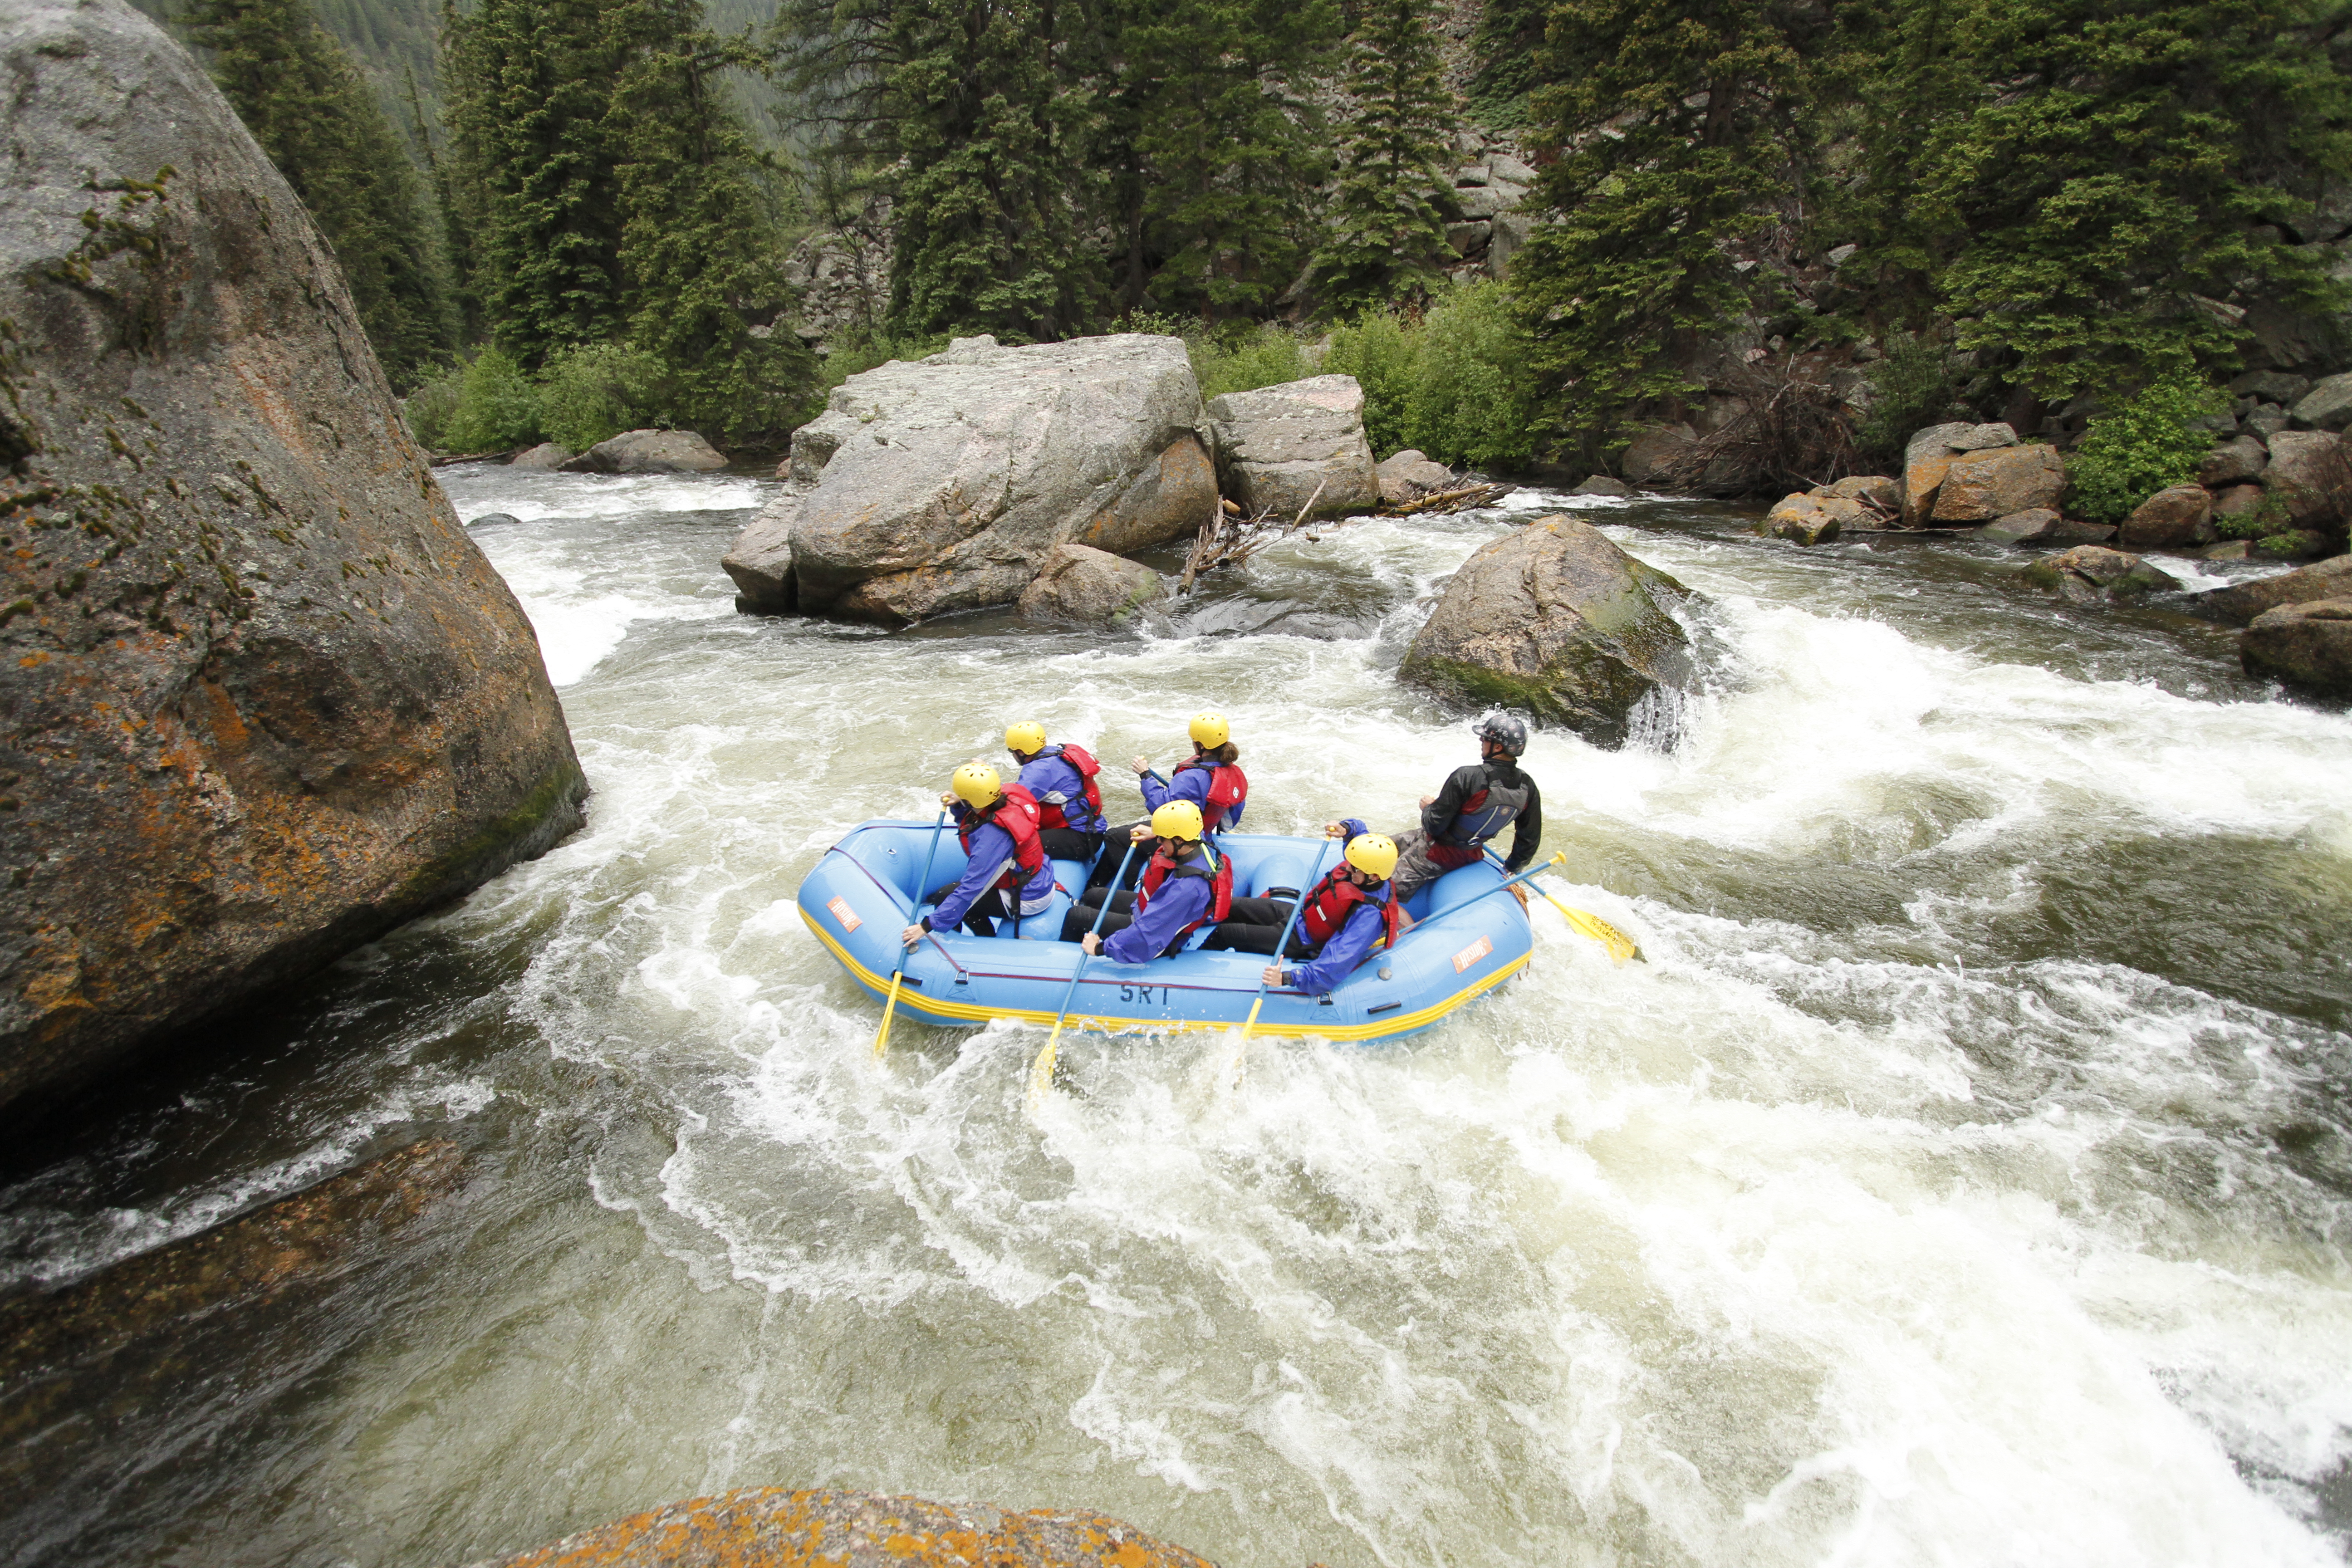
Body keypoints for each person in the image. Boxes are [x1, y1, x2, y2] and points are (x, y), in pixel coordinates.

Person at [1208, 830, 1403, 997]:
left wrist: (1287, 978)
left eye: (1355, 869)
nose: (1349, 868)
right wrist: (1349, 829)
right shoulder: (1365, 870)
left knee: (1226, 934)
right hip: (1301, 916)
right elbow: (1363, 841)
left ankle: (1198, 970)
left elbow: (1334, 964)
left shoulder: (1369, 917)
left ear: (1374, 876)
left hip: (1304, 942)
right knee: (1230, 905)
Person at [1374, 712, 1542, 906]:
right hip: (1471, 854)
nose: (1481, 741)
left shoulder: (1468, 776)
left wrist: (1427, 807)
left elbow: (1434, 827)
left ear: (1498, 747)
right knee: (1381, 846)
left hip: (1436, 853)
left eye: (1485, 738)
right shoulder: (1528, 786)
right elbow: (1529, 839)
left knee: (1379, 891)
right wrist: (1511, 868)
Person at [901, 762, 1055, 944]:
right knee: (955, 896)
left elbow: (972, 889)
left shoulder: (993, 838)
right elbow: (974, 822)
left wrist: (926, 926)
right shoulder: (1005, 797)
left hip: (1028, 897)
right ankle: (983, 936)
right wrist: (959, 806)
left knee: (946, 896)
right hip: (1037, 878)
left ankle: (967, 942)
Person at [1092, 711, 1249, 889]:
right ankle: (1099, 884)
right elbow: (1232, 816)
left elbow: (1162, 807)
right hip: (1203, 833)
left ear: (1199, 744)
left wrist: (1145, 775)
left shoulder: (1193, 777)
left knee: (1114, 837)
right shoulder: (1231, 771)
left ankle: (1132, 886)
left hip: (1183, 837)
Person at [1060, 801, 1232, 962]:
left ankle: (1061, 963)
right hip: (1148, 908)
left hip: (1160, 937)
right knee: (1093, 895)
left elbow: (1148, 933)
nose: (1158, 841)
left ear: (1179, 840)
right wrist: (1156, 832)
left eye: (1162, 838)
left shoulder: (1187, 888)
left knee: (1076, 917)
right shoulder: (1198, 842)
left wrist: (1100, 948)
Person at [1004, 720, 1107, 864]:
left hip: (1080, 840)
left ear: (1021, 752)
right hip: (1091, 833)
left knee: (1010, 844)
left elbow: (1011, 804)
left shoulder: (1038, 771)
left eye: (1012, 751)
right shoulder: (1056, 755)